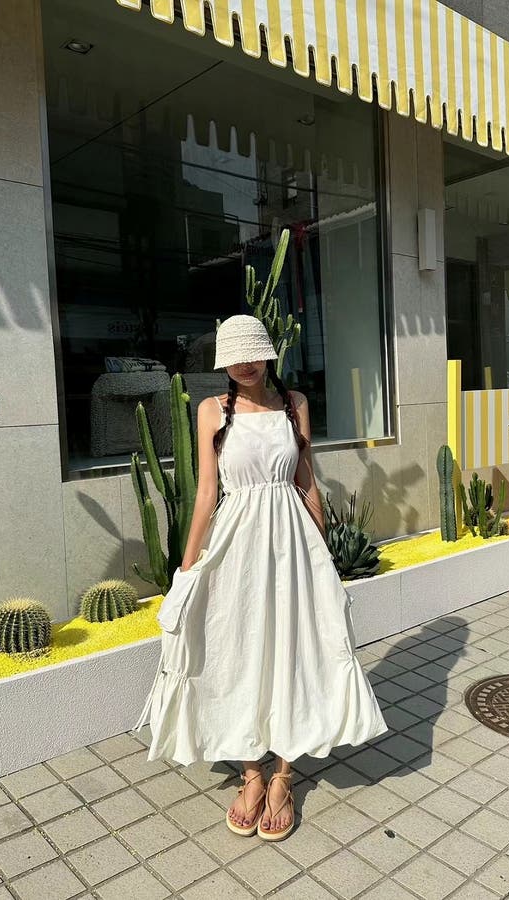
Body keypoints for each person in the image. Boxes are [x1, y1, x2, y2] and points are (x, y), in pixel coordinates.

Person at [133, 314, 389, 841]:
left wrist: (324, 554)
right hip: (237, 545)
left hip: (293, 543)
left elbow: (306, 481)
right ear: (223, 363)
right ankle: (251, 774)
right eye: (234, 357)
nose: (245, 364)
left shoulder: (295, 404)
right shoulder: (212, 410)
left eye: (253, 353)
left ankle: (284, 777)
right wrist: (187, 567)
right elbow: (207, 493)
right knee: (238, 651)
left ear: (269, 354)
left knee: (295, 649)